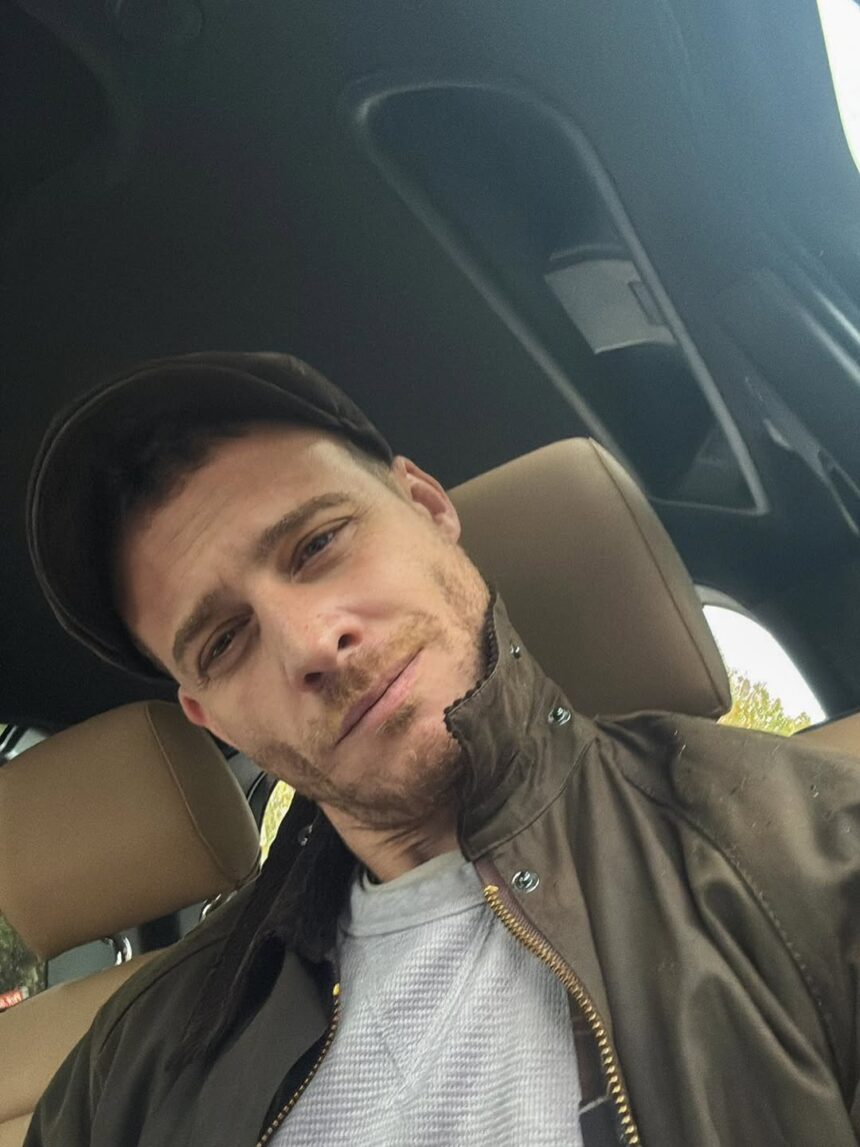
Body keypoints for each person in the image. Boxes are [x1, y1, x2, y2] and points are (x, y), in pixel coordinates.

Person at [24, 351, 859, 1147]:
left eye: (317, 544)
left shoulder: (816, 859)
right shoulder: (120, 1074)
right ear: (209, 717)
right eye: (225, 641)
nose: (312, 643)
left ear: (426, 505)